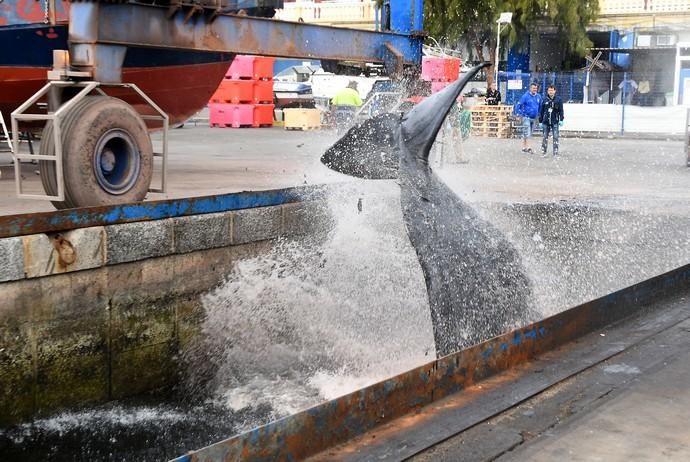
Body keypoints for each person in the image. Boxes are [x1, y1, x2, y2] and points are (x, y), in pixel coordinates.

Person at [513, 82, 542, 154]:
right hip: (526, 117)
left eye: (535, 88)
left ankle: (524, 147)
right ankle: (529, 147)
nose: (534, 89)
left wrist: (539, 114)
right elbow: (519, 104)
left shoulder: (539, 96)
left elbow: (541, 106)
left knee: (529, 133)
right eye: (533, 88)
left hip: (534, 117)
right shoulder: (525, 96)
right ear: (530, 88)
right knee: (527, 132)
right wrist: (518, 114)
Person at [539, 84, 564, 157]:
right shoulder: (544, 99)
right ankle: (544, 152)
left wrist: (561, 119)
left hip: (555, 121)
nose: (550, 92)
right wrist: (540, 121)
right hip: (546, 122)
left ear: (555, 91)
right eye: (549, 90)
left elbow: (561, 111)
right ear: (547, 91)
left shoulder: (558, 100)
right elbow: (541, 111)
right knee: (544, 137)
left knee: (555, 137)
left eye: (552, 90)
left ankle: (555, 153)